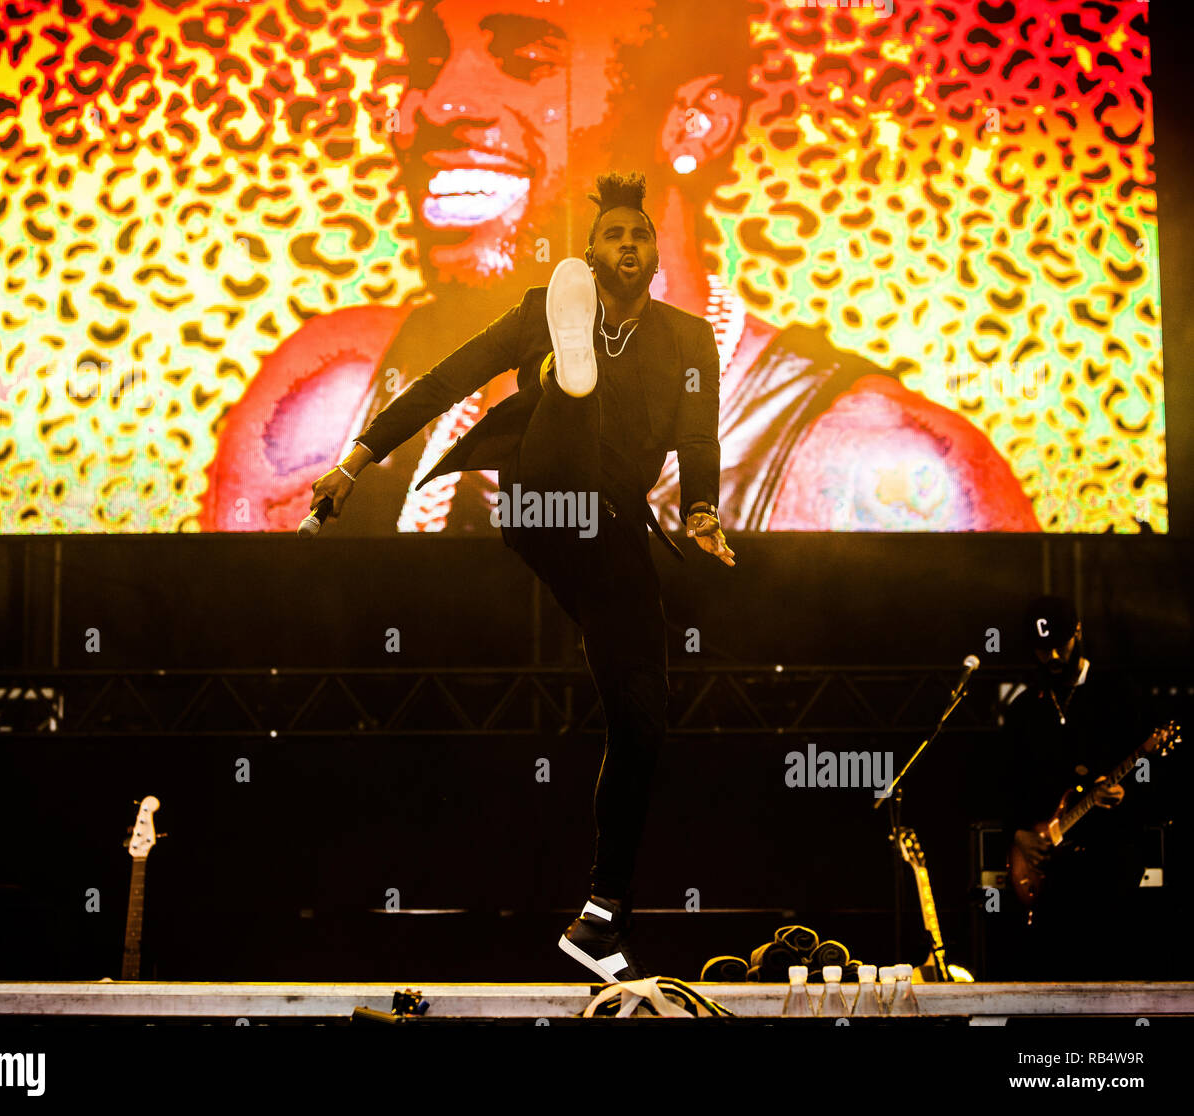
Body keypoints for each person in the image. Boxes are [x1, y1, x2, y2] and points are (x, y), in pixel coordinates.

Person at [200, 0, 1039, 534]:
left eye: (529, 58)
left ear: (695, 125)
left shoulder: (888, 482)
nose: (433, 107)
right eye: (426, 63)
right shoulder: (325, 412)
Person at [307, 172, 733, 981]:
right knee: (557, 399)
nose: (631, 244)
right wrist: (355, 462)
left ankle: (603, 914)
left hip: (608, 528)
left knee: (644, 715)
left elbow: (699, 438)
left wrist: (704, 512)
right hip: (542, 499)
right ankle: (561, 384)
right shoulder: (542, 307)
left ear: (653, 253)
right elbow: (446, 382)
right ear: (590, 253)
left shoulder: (687, 339)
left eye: (640, 234)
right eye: (614, 235)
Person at [995, 596, 1149, 980]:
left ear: (1077, 633)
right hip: (1049, 867)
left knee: (1107, 968)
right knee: (1049, 971)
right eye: (1041, 649)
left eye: (1059, 645)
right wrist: (1017, 834)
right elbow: (1002, 782)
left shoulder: (1118, 692)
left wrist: (1130, 792)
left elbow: (1148, 767)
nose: (1051, 656)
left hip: (1107, 860)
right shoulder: (1025, 708)